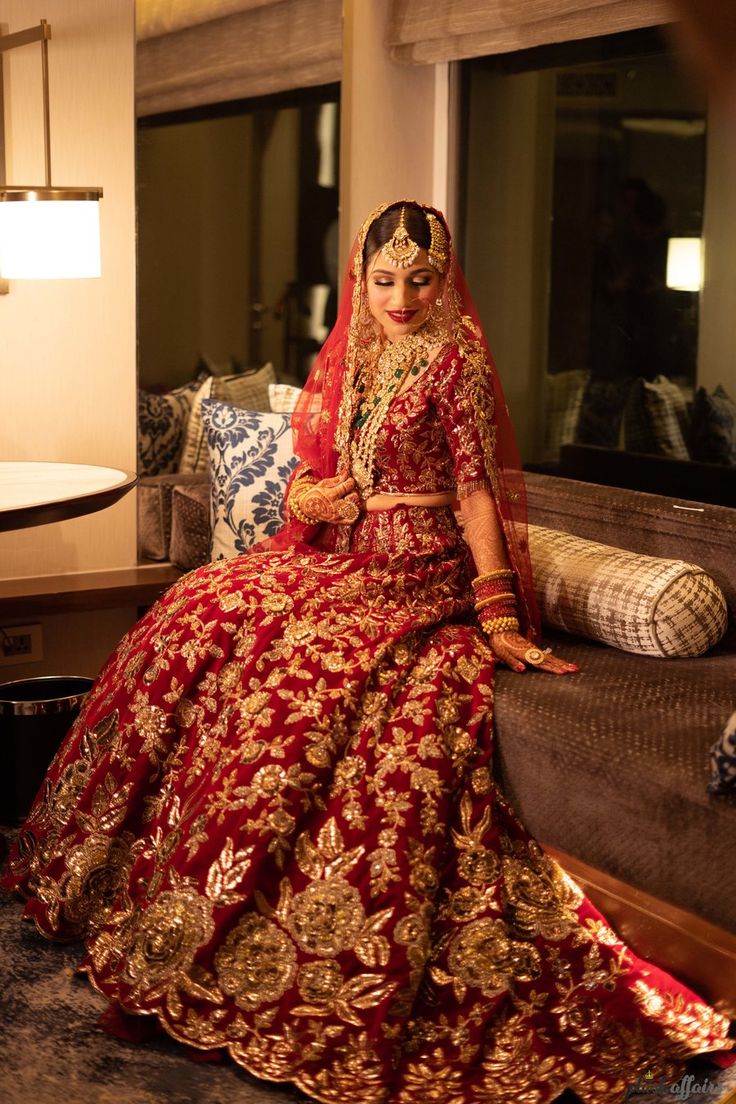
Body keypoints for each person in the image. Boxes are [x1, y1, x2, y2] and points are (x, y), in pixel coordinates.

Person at [2, 201, 732, 1103]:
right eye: (383, 279)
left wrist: (497, 611)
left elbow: (474, 495)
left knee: (307, 669)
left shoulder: (455, 360)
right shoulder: (359, 353)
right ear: (361, 278)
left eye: (420, 279)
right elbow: (318, 465)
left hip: (417, 569)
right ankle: (115, 866)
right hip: (340, 553)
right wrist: (309, 499)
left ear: (444, 278)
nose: (400, 295)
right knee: (200, 605)